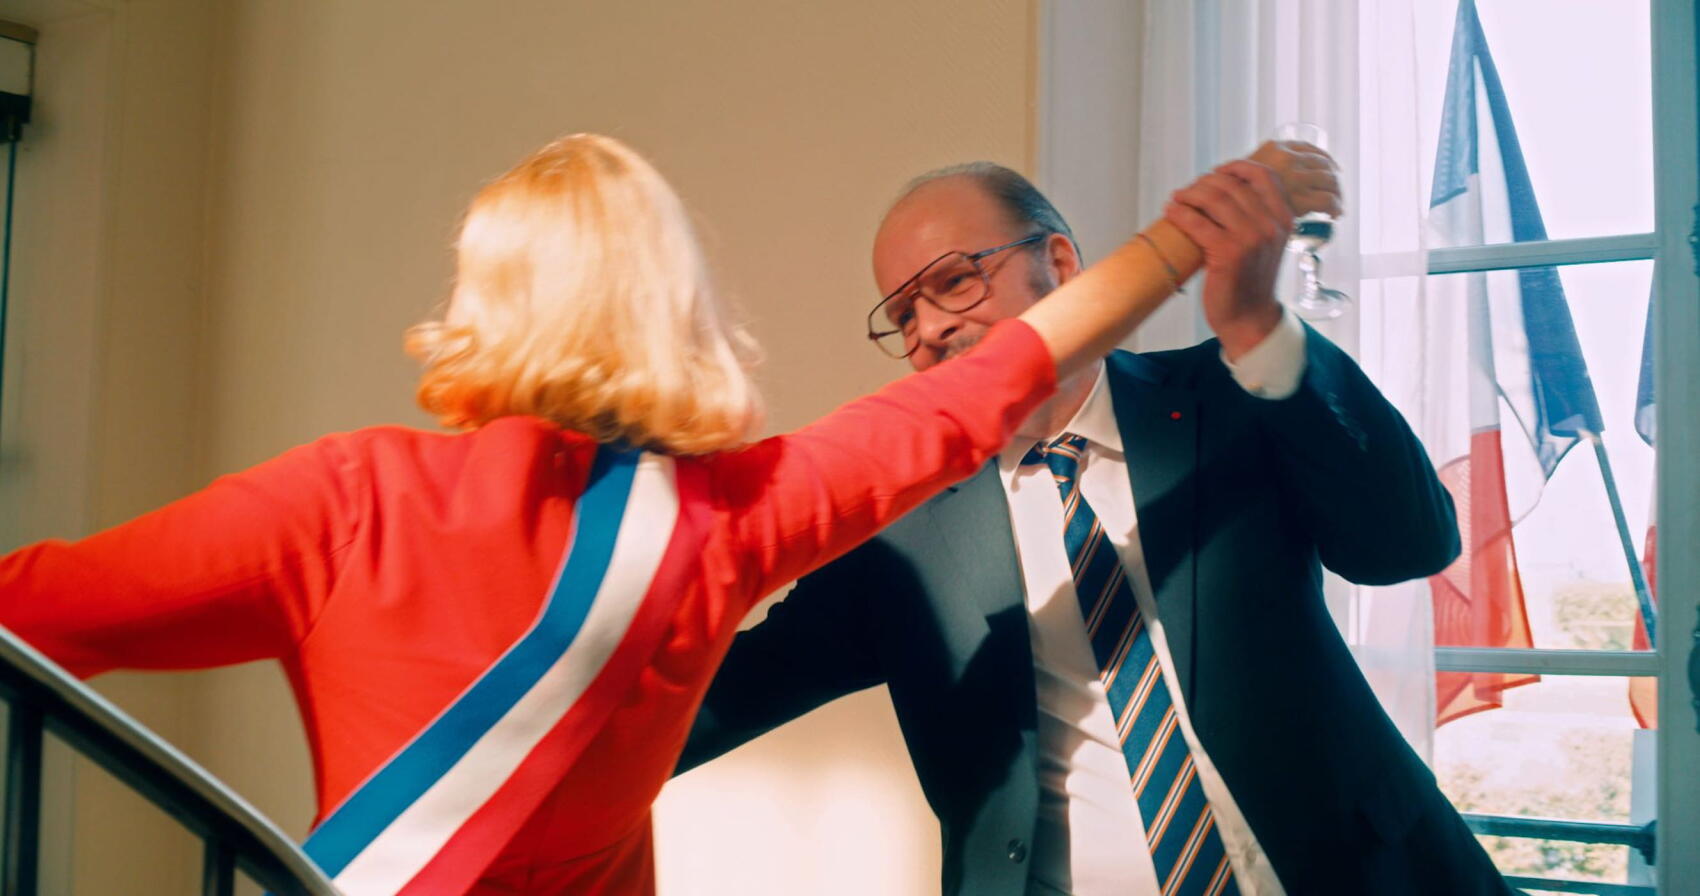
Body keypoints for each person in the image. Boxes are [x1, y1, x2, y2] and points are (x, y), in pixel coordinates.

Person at [0, 135, 1336, 894]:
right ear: (677, 309)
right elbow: (985, 388)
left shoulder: (339, 499)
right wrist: (1187, 237)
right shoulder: (725, 519)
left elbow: (33, 611)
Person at [678, 161, 1514, 896]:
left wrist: (1258, 326)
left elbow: (1409, 544)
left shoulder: (1231, 392)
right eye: (901, 317)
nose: (928, 329)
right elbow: (710, 702)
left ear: (1060, 262)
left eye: (954, 282)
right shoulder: (900, 530)